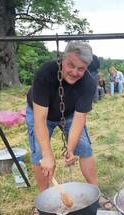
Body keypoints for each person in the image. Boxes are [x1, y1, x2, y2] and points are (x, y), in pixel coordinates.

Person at [25, 41, 98, 194]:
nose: (75, 72)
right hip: (41, 113)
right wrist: (47, 154)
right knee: (39, 154)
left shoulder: (89, 83)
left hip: (70, 114)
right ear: (62, 59)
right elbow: (40, 119)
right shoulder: (45, 73)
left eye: (81, 69)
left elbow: (79, 119)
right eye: (71, 65)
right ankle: (43, 197)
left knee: (85, 148)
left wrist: (70, 149)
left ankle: (95, 192)